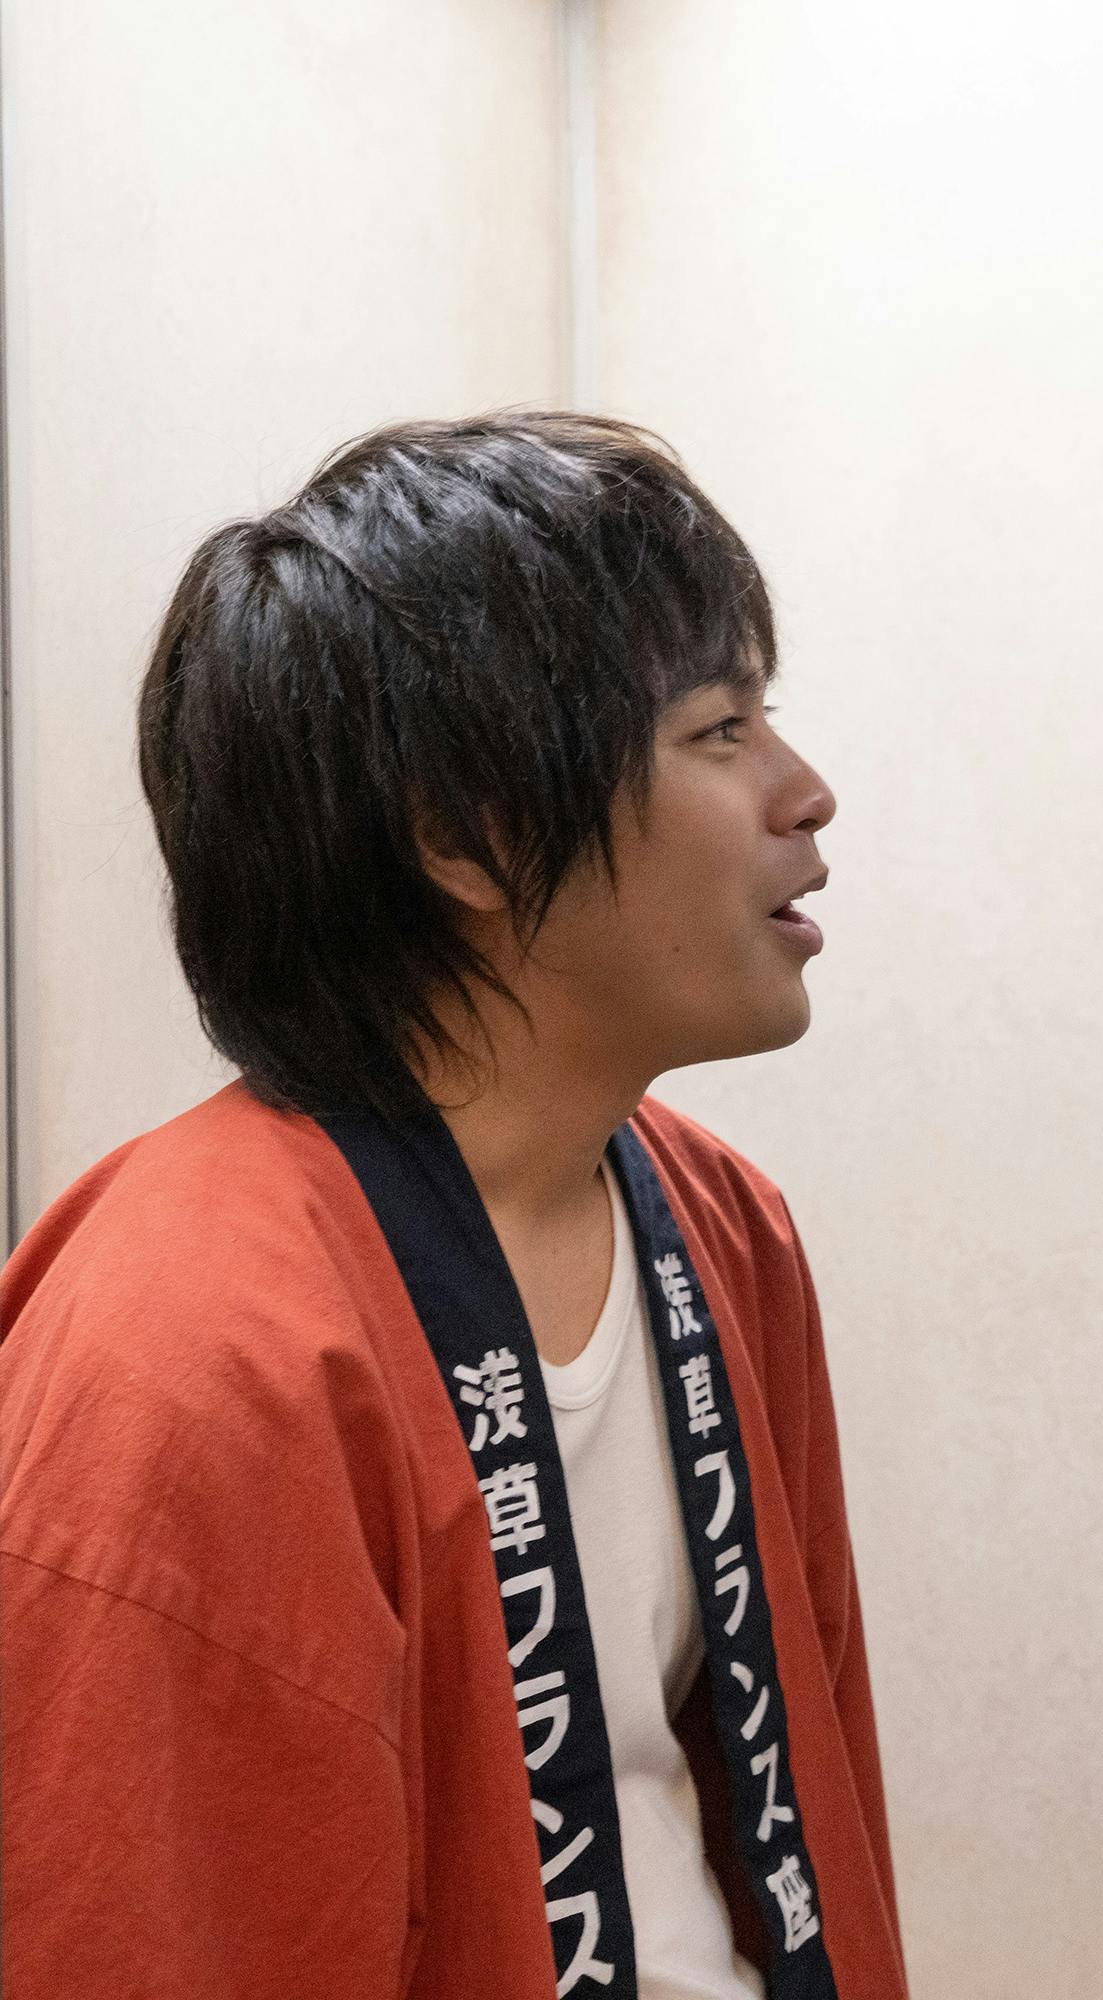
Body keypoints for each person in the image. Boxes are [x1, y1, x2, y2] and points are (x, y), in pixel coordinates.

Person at [0, 413, 908, 1996]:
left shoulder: (722, 1225)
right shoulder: (191, 1349)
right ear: (466, 836)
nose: (804, 792)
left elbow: (794, 1795)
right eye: (720, 730)